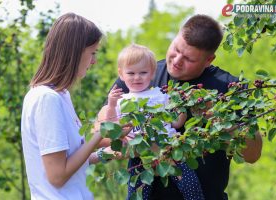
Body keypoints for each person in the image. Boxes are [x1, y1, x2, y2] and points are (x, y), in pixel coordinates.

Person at [99, 14, 263, 200]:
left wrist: (217, 117)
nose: (177, 60)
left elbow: (252, 154)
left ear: (209, 60)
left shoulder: (230, 88)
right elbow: (100, 135)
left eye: (189, 59)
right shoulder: (140, 75)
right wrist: (141, 141)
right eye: (176, 49)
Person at [21, 13, 124, 200]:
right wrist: (100, 134)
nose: (94, 61)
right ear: (74, 52)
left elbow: (68, 162)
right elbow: (57, 176)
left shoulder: (61, 95)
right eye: (92, 53)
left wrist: (107, 154)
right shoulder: (46, 99)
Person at [98, 44, 205, 200]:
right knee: (137, 193)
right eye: (131, 73)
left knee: (191, 185)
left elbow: (176, 124)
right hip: (139, 151)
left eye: (143, 72)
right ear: (121, 74)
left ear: (152, 73)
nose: (137, 77)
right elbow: (111, 126)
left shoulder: (161, 95)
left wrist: (180, 105)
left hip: (169, 147)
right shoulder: (121, 101)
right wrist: (112, 105)